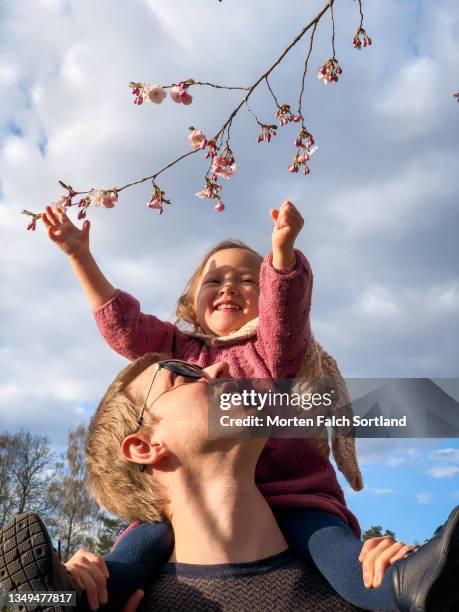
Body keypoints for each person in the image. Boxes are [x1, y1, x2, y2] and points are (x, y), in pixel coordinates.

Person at [40, 200, 367, 606]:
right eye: (214, 281)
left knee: (348, 566)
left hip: (295, 494)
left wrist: (282, 259)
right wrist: (80, 256)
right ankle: (66, 597)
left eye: (250, 280)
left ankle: (414, 587)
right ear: (191, 302)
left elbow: (287, 316)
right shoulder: (179, 350)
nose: (229, 286)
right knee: (134, 553)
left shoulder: (272, 349)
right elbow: (125, 327)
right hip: (195, 498)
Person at [3, 356, 457, 610]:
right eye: (183, 375)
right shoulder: (124, 603)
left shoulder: (367, 587)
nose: (220, 369)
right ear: (144, 446)